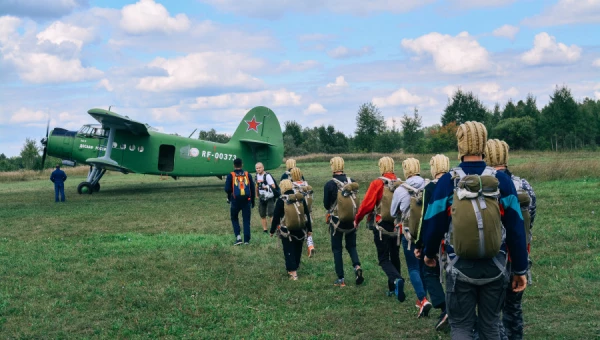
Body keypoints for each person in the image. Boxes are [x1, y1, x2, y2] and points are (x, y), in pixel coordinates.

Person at [422, 121, 528, 340]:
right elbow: (517, 227)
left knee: (460, 326)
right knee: (490, 325)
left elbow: (433, 223)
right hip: (495, 267)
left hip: (459, 266)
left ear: (460, 145)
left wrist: (429, 253)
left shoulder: (448, 182)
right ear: (483, 144)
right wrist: (519, 269)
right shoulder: (501, 180)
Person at [485, 139, 537, 340]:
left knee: (492, 313)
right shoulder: (523, 185)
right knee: (514, 309)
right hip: (519, 255)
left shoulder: (483, 185)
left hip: (493, 256)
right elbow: (530, 218)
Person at [354, 156, 406, 302]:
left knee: (384, 258)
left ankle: (396, 280)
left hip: (381, 225)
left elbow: (367, 205)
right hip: (397, 225)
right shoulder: (401, 183)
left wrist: (357, 219)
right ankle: (393, 288)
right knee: (395, 255)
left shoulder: (378, 183)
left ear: (381, 167)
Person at [414, 154, 451, 331]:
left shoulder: (430, 188)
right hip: (457, 238)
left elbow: (426, 218)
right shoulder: (455, 183)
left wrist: (419, 244)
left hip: (438, 238)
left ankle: (445, 308)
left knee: (429, 271)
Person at [390, 158, 431, 317]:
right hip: (427, 231)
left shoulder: (401, 190)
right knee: (424, 265)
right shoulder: (428, 184)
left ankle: (422, 299)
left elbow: (393, 213)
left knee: (413, 267)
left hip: (409, 234)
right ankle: (423, 296)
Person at [323, 156, 364, 287]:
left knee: (337, 249)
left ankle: (341, 279)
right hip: (351, 221)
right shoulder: (352, 181)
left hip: (337, 222)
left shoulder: (329, 184)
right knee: (351, 246)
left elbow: (325, 205)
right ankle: (357, 266)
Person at [270, 179, 312, 280]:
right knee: (298, 249)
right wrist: (309, 229)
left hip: (287, 230)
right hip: (300, 229)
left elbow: (276, 217)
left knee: (288, 250)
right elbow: (306, 214)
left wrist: (272, 230)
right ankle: (295, 266)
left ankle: (293, 273)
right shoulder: (299, 198)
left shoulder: (281, 200)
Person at [224, 158, 255, 245]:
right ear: (242, 165)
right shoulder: (247, 174)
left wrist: (230, 195)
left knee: (234, 218)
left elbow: (227, 189)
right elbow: (252, 188)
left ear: (234, 165)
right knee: (246, 220)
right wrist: (252, 201)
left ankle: (238, 237)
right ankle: (246, 240)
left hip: (235, 201)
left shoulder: (231, 175)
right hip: (246, 200)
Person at [290, 167, 316, 257]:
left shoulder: (292, 185)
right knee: (308, 229)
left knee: (299, 228)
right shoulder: (306, 184)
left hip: (298, 210)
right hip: (307, 210)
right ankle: (310, 244)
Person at [255, 162, 277, 234]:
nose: (258, 169)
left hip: (269, 196)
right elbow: (256, 186)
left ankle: (274, 229)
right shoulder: (256, 176)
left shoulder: (267, 176)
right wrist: (257, 195)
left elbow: (273, 186)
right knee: (262, 214)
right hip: (262, 197)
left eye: (259, 168)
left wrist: (266, 187)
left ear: (263, 168)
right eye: (257, 168)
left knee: (271, 213)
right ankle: (265, 230)